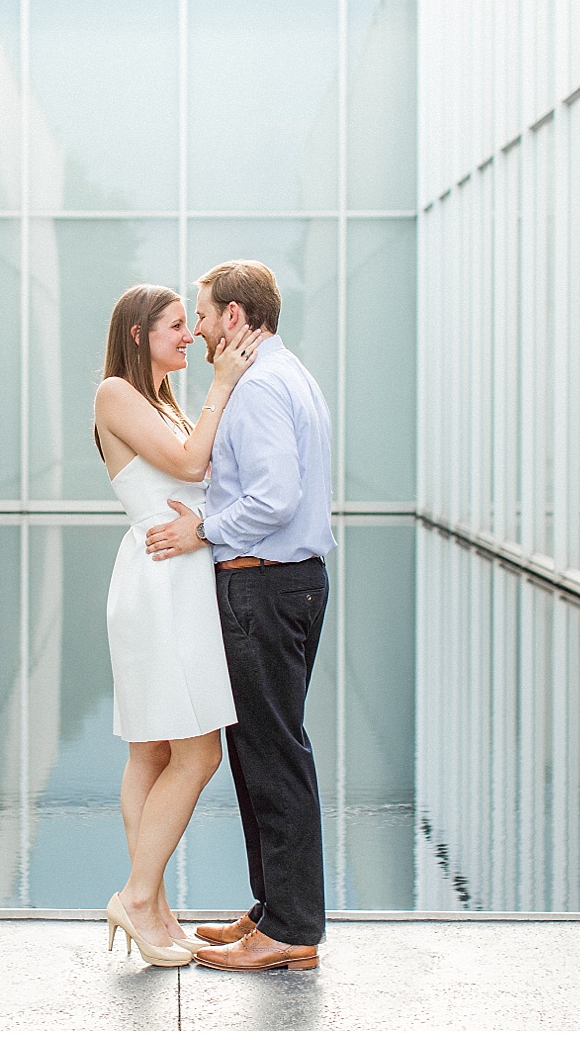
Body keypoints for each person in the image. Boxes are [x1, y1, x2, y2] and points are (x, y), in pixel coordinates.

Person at [145, 259, 334, 973]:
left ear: (233, 316)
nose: (195, 328)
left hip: (265, 587)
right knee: (264, 749)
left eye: (201, 314)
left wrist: (204, 529)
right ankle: (274, 909)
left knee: (273, 754)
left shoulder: (256, 388)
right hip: (288, 586)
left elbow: (274, 498)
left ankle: (289, 929)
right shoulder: (289, 374)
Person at [92, 283, 267, 968]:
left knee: (153, 753)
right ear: (138, 334)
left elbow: (198, 477)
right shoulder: (115, 393)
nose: (189, 335)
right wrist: (223, 382)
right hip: (159, 583)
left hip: (174, 580)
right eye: (174, 325)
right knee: (196, 754)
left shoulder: (162, 399)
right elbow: (192, 464)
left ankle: (155, 909)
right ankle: (138, 898)